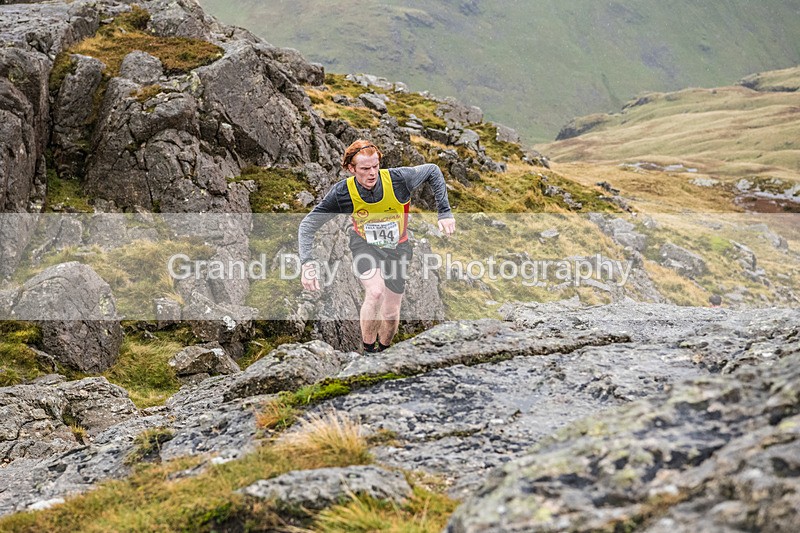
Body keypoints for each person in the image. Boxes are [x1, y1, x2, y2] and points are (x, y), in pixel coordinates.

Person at [298, 140, 455, 354]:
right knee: (375, 292)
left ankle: (384, 352)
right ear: (351, 169)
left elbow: (432, 170)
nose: (372, 173)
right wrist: (307, 263)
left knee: (390, 313)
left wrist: (444, 212)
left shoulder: (398, 179)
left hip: (398, 248)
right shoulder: (343, 192)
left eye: (375, 166)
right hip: (365, 246)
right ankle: (369, 352)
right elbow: (307, 225)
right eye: (365, 169)